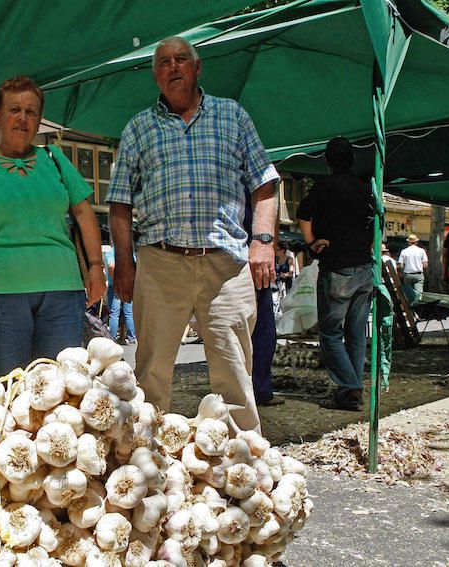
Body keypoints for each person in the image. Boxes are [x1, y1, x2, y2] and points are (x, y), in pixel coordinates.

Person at [107, 37, 279, 432]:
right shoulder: (139, 128)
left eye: (181, 59)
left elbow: (265, 185)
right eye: (164, 62)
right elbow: (119, 204)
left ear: (197, 68)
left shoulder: (232, 116)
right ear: (156, 75)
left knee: (235, 371)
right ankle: (145, 462)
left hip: (226, 265)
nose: (173, 67)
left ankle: (241, 466)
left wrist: (263, 240)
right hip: (160, 262)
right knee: (150, 373)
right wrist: (125, 263)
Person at [0, 75, 106, 381]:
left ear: (39, 119)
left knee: (60, 388)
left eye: (31, 112)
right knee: (6, 391)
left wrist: (96, 267)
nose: (22, 119)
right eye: (14, 110)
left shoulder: (55, 159)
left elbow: (85, 214)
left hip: (62, 293)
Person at [296, 136, 374, 411]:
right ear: (352, 160)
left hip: (338, 266)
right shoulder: (367, 188)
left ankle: (349, 387)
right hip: (366, 267)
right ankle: (352, 390)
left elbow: (303, 213)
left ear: (327, 161)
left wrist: (311, 242)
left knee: (330, 333)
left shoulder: (325, 187)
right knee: (356, 332)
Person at [105, 246, 136, 345]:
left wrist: (115, 281)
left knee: (114, 314)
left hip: (115, 286)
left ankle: (113, 338)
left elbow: (111, 265)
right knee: (129, 313)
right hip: (128, 286)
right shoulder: (130, 253)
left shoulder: (111, 252)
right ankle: (132, 338)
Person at [398, 234, 428, 305]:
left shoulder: (404, 251)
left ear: (409, 242)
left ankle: (409, 307)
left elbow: (401, 265)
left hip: (408, 275)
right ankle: (415, 306)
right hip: (418, 274)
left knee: (408, 293)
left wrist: (403, 272)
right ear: (416, 242)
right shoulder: (421, 251)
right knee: (419, 293)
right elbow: (425, 264)